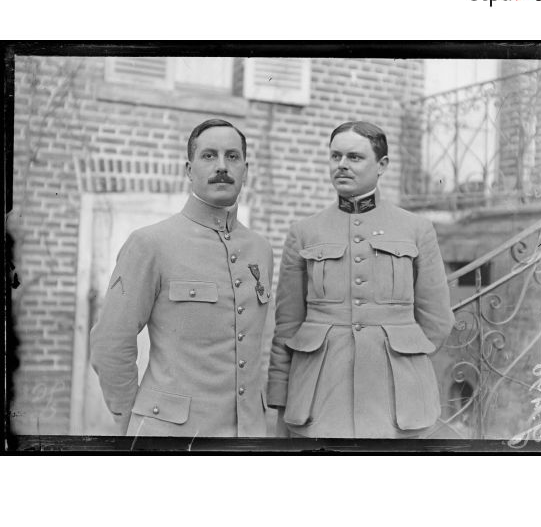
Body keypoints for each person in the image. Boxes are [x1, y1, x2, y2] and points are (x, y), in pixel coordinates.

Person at [267, 121, 454, 438]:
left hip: (396, 401)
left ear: (382, 165)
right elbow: (287, 325)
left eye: (354, 157)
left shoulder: (416, 229)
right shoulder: (304, 232)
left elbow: (436, 320)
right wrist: (281, 397)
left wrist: (402, 359)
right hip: (317, 398)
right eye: (335, 156)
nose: (341, 165)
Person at [90, 119, 273, 437]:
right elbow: (110, 344)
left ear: (245, 168)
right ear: (189, 169)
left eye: (232, 156)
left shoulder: (261, 249)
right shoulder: (150, 243)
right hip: (170, 438)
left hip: (249, 437)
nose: (221, 166)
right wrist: (132, 421)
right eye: (208, 156)